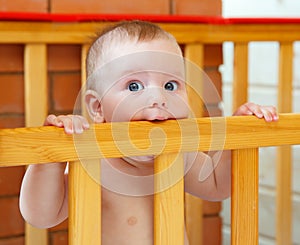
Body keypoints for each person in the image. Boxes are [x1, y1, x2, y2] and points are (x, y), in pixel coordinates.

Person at [19, 20, 278, 245]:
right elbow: (41, 215)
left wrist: (238, 131)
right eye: (134, 86)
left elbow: (219, 187)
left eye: (170, 84)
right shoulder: (91, 161)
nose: (158, 98)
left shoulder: (178, 154)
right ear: (97, 107)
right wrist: (52, 156)